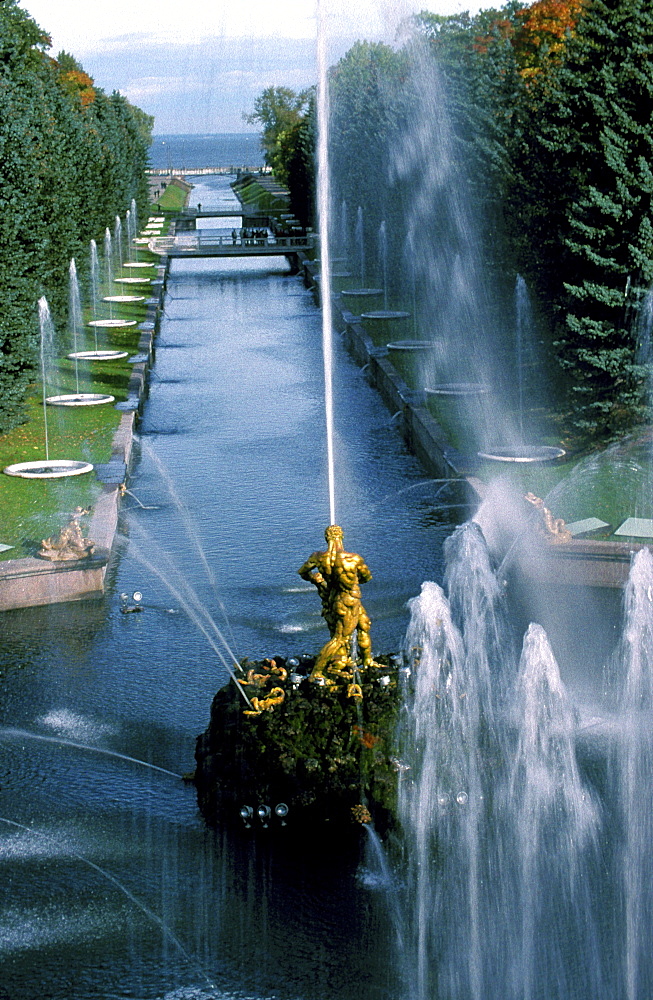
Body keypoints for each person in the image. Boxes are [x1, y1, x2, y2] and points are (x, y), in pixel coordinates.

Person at [298, 524, 377, 682]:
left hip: (336, 597)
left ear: (327, 538)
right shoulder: (353, 558)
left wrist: (315, 578)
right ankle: (317, 672)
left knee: (364, 625)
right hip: (349, 600)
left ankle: (367, 660)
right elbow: (367, 577)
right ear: (342, 537)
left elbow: (303, 572)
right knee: (339, 638)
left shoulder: (319, 557)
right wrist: (351, 582)